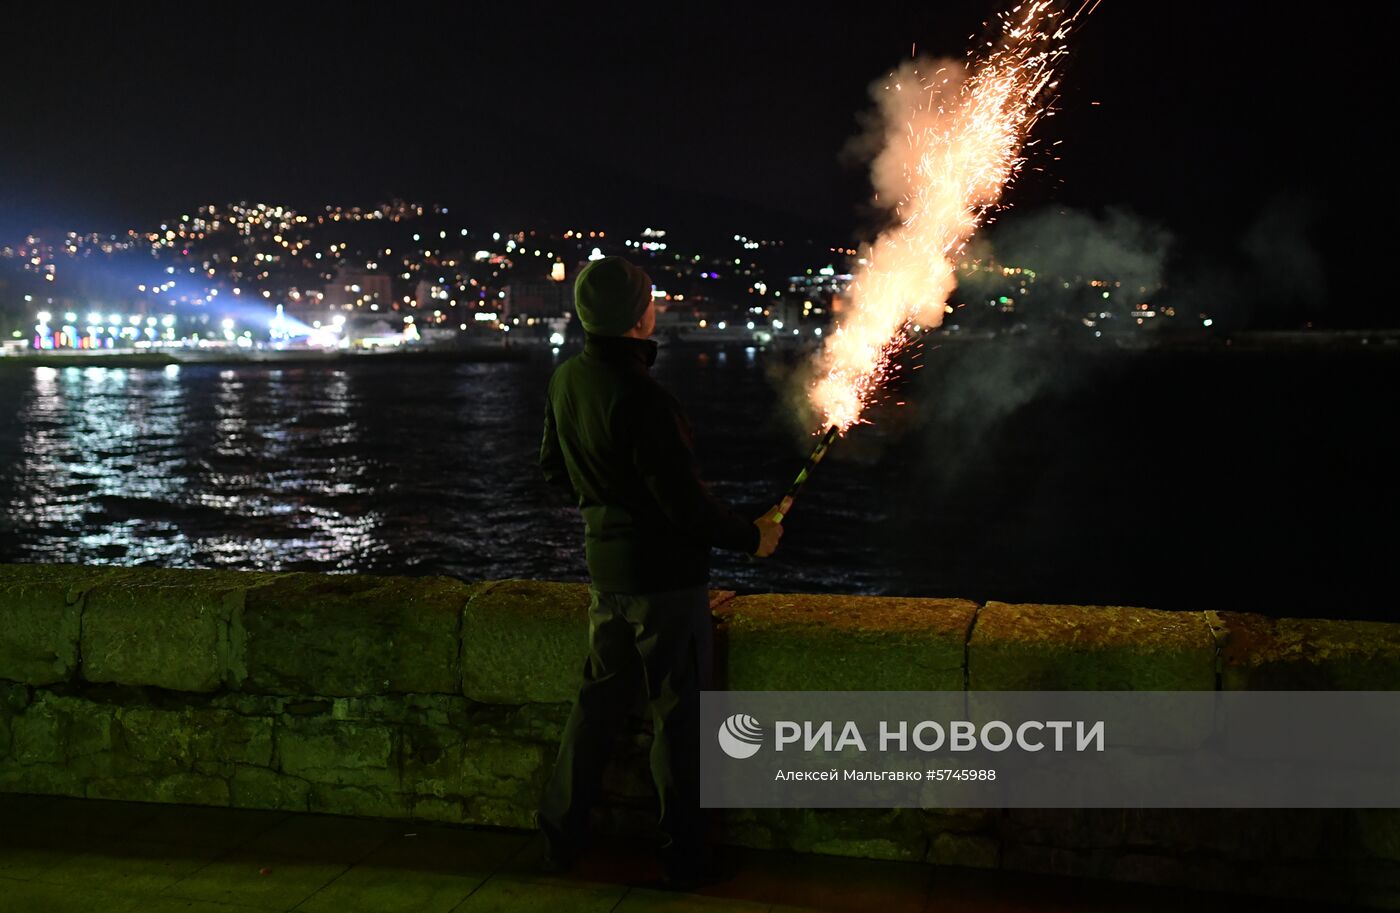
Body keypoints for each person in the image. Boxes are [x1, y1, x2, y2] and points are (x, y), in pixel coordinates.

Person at [535, 255, 784, 889]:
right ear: (639, 318)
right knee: (679, 719)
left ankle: (559, 836)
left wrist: (606, 512)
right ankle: (682, 855)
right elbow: (685, 507)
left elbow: (552, 468)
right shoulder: (645, 399)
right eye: (651, 301)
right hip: (667, 587)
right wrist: (752, 537)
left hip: (607, 576)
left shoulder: (567, 381)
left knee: (595, 707)